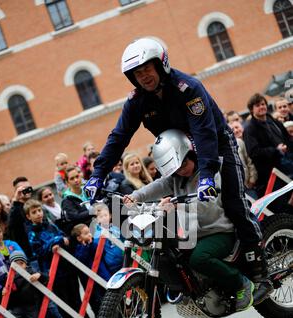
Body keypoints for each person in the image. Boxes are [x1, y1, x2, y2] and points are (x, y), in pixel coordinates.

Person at [84, 37, 265, 283]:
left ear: (161, 65)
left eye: (147, 69)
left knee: (233, 201)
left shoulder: (188, 88)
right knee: (169, 213)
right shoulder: (136, 100)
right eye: (137, 73)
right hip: (176, 154)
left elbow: (204, 133)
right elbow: (119, 137)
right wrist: (97, 175)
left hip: (216, 145)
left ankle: (256, 259)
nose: (144, 76)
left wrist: (208, 175)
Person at [124, 129, 254, 312]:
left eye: (184, 164)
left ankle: (240, 282)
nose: (182, 170)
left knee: (199, 259)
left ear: (191, 154)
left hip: (218, 231)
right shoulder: (176, 177)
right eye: (177, 168)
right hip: (192, 232)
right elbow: (159, 184)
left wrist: (177, 206)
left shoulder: (208, 172)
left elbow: (207, 206)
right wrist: (136, 196)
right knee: (169, 253)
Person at [243, 93, 290, 197]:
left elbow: (285, 137)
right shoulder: (250, 129)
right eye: (258, 105)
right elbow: (254, 152)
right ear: (251, 109)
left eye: (263, 104)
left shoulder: (272, 120)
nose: (262, 107)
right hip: (270, 173)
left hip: (286, 163)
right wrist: (275, 150)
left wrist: (286, 146)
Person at [61, 165, 94, 235]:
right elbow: (76, 217)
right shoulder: (67, 200)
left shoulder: (88, 189)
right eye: (72, 178)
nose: (76, 180)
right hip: (86, 233)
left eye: (77, 176)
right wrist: (93, 211)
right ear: (67, 182)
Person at [8, 176, 34, 260]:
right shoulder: (16, 209)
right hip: (29, 255)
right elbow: (11, 224)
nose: (27, 191)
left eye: (29, 188)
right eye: (24, 189)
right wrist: (16, 199)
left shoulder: (33, 205)